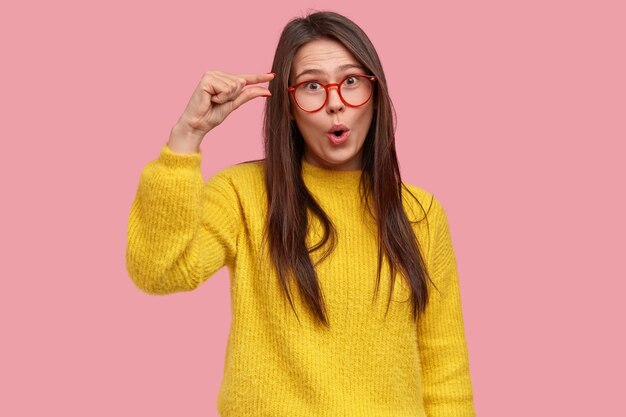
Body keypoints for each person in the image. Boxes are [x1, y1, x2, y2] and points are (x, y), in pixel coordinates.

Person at [126, 10, 475, 417]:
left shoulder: (421, 214)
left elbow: (444, 370)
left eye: (351, 82)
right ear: (288, 106)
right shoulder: (244, 193)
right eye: (312, 86)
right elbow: (158, 271)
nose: (334, 104)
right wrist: (186, 138)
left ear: (375, 94)